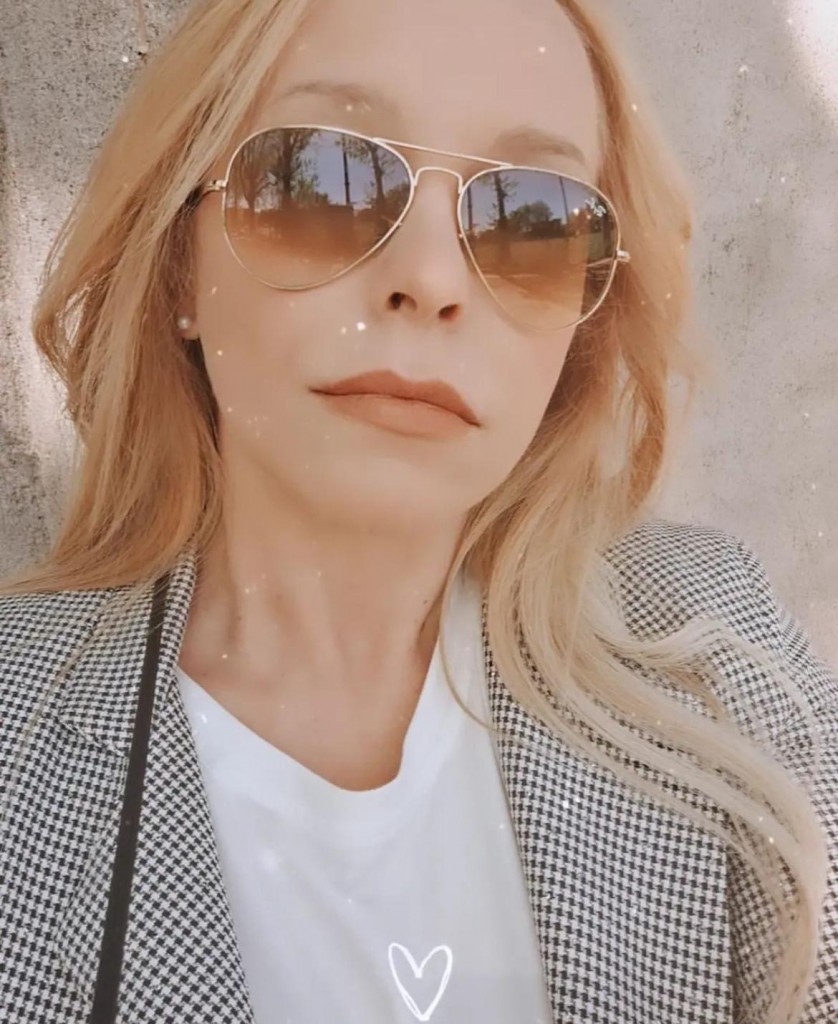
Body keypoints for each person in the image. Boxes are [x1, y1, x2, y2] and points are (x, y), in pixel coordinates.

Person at [0, 0, 835, 1021]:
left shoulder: (716, 645)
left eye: (533, 218)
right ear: (181, 264)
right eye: (323, 178)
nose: (432, 280)